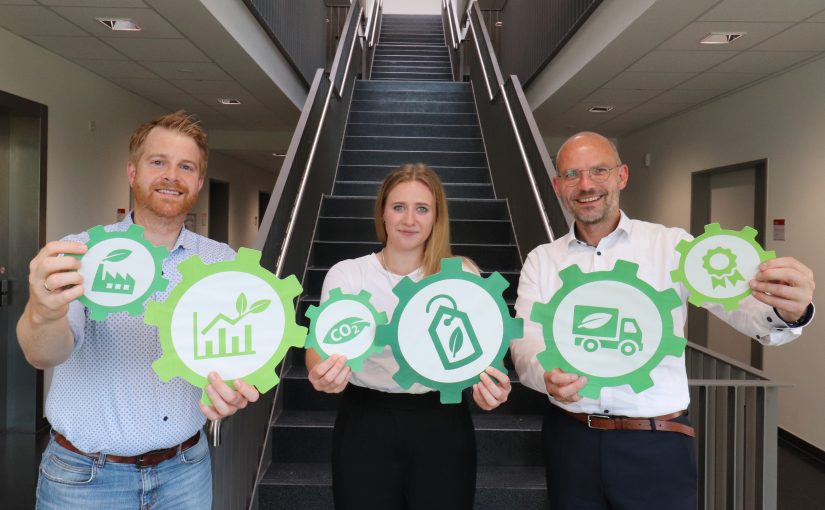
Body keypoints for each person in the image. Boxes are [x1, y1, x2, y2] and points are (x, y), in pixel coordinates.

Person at [511, 131, 815, 510]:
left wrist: (789, 312)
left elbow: (744, 310)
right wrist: (546, 376)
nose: (586, 185)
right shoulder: (542, 259)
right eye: (572, 175)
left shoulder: (671, 246)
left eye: (599, 171)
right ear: (558, 185)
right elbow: (526, 341)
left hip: (656, 442)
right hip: (571, 439)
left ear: (622, 175)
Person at [17, 111, 260, 508]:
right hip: (84, 479)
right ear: (132, 172)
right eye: (158, 162)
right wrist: (42, 312)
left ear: (198, 182)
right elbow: (43, 353)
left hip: (185, 472)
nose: (171, 176)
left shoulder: (224, 264)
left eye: (186, 167)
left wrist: (233, 389)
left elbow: (237, 350)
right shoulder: (84, 253)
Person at [306, 163, 512, 509]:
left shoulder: (461, 275)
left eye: (422, 209)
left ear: (436, 218)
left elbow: (490, 361)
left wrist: (492, 389)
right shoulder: (349, 274)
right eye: (399, 207)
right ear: (383, 212)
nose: (409, 220)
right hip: (365, 421)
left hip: (442, 423)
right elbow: (318, 349)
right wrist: (320, 374)